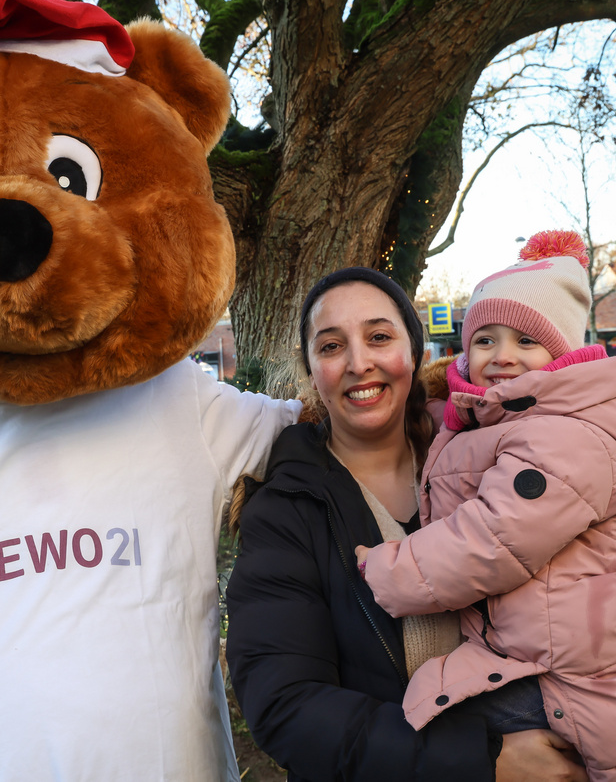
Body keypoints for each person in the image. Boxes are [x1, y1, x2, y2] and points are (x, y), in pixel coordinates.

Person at [357, 232, 616, 782]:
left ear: (564, 357)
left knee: (430, 729)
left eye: (525, 340)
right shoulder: (508, 419)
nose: (503, 357)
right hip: (550, 653)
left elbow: (493, 539)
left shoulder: (564, 438)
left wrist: (388, 568)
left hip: (579, 682)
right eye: (486, 340)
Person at [225, 266, 590, 781]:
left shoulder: (495, 465)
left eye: (379, 337)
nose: (359, 362)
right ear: (311, 371)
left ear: (413, 353)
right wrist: (484, 761)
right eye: (331, 347)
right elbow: (286, 704)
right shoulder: (286, 511)